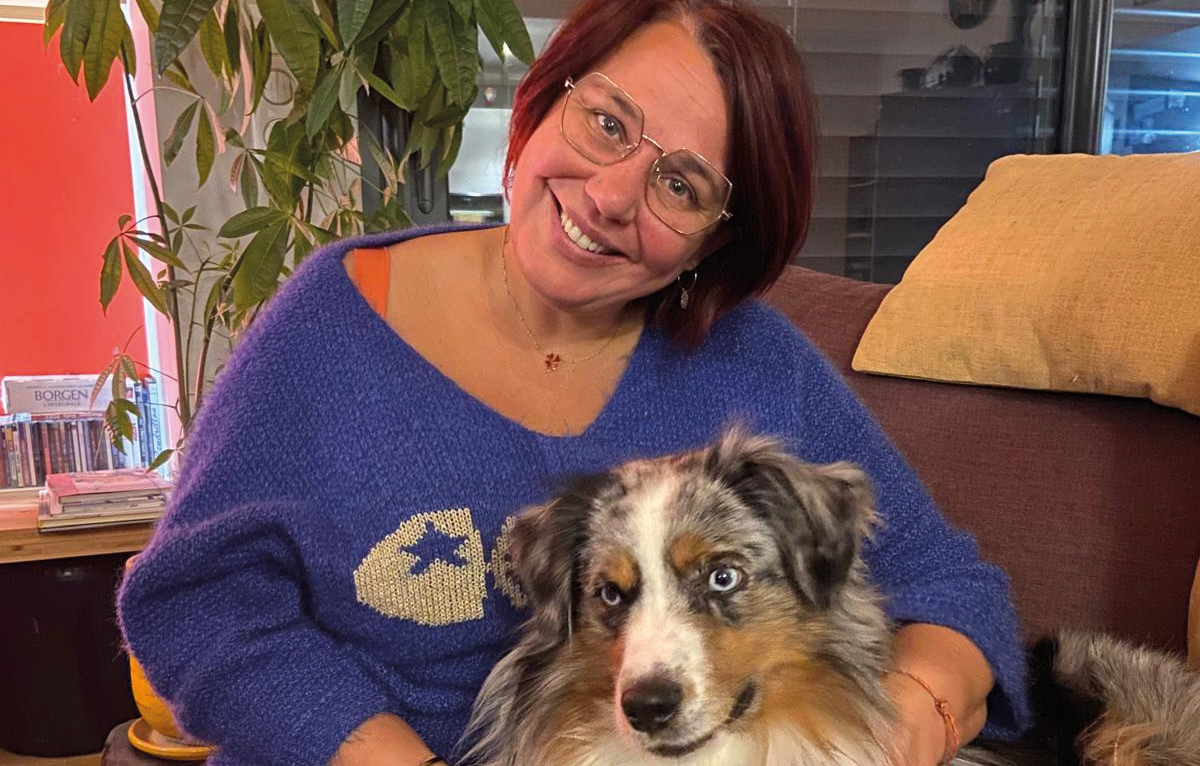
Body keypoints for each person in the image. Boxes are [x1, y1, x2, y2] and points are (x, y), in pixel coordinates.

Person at [118, 0, 1030, 764]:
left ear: (714, 238)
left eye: (682, 184)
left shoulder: (756, 362)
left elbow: (946, 582)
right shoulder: (332, 323)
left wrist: (906, 724)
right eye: (607, 122)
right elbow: (195, 603)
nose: (608, 195)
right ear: (542, 100)